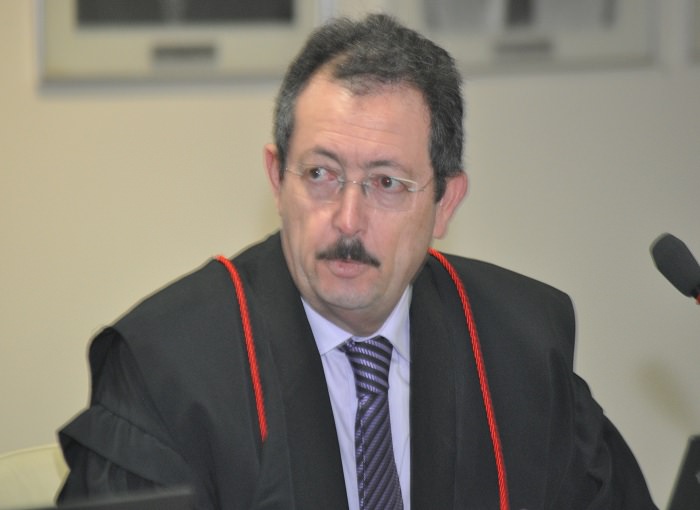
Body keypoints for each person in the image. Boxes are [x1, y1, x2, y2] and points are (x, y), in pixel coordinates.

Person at [57, 13, 658, 510]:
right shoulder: (165, 366)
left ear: (445, 203)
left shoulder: (520, 344)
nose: (348, 219)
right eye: (321, 174)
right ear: (277, 178)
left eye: (386, 183)